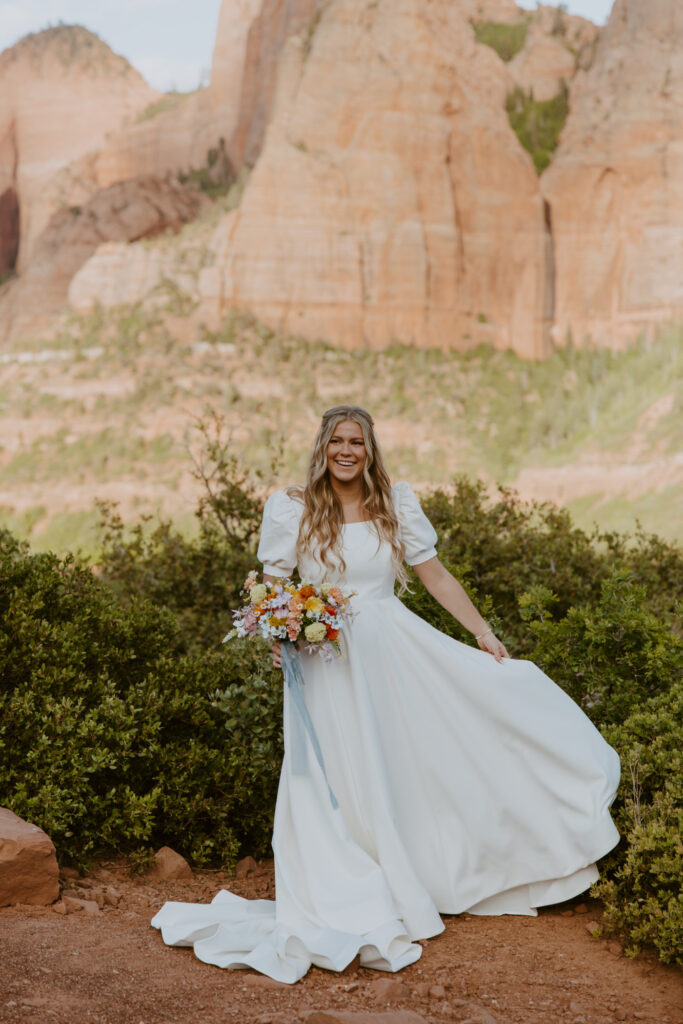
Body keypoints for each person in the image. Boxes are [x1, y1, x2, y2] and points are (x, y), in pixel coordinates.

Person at [151, 404, 621, 984]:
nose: (346, 451)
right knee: (339, 771)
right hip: (324, 660)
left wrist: (481, 632)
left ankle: (435, 870)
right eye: (336, 442)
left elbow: (436, 576)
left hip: (394, 652)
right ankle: (350, 881)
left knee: (416, 756)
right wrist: (277, 633)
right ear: (322, 447)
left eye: (356, 442)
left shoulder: (395, 504)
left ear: (369, 449)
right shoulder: (291, 509)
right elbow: (272, 587)